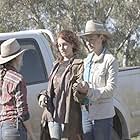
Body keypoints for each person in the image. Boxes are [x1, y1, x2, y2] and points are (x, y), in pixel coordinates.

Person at [38, 30, 86, 140]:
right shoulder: (56, 65)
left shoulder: (78, 64)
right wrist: (42, 96)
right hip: (52, 113)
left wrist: (80, 89)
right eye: (59, 45)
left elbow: (80, 92)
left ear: (72, 44)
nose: (62, 48)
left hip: (68, 114)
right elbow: (53, 88)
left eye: (65, 44)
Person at [77, 20, 119, 140]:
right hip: (86, 112)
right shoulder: (87, 60)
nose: (89, 43)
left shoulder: (110, 60)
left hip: (103, 114)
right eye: (87, 39)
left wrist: (89, 91)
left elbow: (111, 89)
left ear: (102, 38)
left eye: (92, 39)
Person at [0, 38, 30, 140]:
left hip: (3, 127)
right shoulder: (18, 79)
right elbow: (22, 112)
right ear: (18, 58)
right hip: (14, 127)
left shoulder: (2, 77)